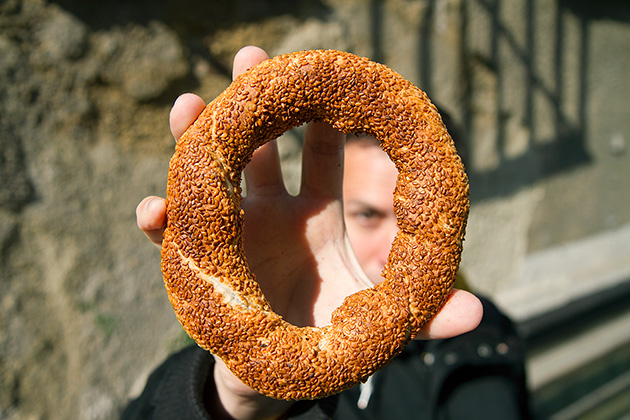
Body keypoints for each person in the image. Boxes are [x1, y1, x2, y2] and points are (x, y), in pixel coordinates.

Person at [125, 46, 529, 420]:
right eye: (368, 215)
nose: (393, 250)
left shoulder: (476, 348)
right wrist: (229, 400)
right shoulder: (225, 354)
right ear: (331, 210)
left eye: (403, 219)